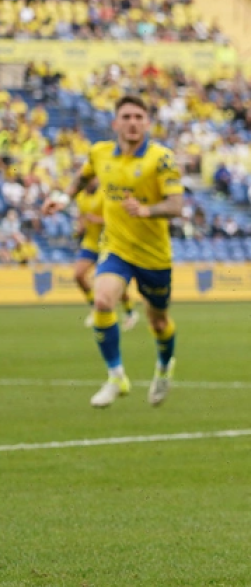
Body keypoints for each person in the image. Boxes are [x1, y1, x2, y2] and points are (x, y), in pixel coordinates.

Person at [46, 96, 184, 408]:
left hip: (153, 254)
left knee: (159, 322)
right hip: (116, 248)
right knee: (102, 299)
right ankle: (116, 376)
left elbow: (176, 205)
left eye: (138, 116)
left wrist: (146, 210)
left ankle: (163, 368)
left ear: (147, 123)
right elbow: (81, 179)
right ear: (115, 123)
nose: (133, 122)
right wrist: (63, 198)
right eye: (126, 116)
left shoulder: (161, 159)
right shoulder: (99, 153)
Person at [72, 182, 138, 331]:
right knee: (78, 275)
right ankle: (94, 308)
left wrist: (96, 220)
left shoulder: (104, 194)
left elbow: (114, 219)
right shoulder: (81, 196)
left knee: (113, 284)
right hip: (90, 243)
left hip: (108, 244)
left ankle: (130, 312)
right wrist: (80, 227)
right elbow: (82, 216)